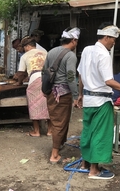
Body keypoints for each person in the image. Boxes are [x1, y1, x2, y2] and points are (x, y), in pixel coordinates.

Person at [77, 23, 120, 179]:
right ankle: (94, 170)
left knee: (88, 132)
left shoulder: (87, 50)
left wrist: (80, 94)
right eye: (113, 39)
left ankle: (85, 164)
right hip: (101, 101)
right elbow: (108, 81)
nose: (114, 43)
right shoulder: (104, 55)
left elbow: (81, 74)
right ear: (106, 37)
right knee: (100, 134)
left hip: (88, 100)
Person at [43, 27, 80, 164]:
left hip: (51, 92)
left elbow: (44, 71)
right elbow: (71, 77)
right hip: (63, 94)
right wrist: (76, 95)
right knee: (60, 123)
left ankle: (59, 145)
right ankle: (54, 154)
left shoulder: (51, 51)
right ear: (74, 40)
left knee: (57, 120)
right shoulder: (70, 55)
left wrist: (44, 88)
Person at [14, 36, 52, 137]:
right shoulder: (45, 53)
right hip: (47, 79)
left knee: (34, 104)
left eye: (23, 47)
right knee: (48, 104)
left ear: (27, 46)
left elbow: (21, 73)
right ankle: (50, 131)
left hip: (35, 79)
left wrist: (19, 82)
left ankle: (36, 131)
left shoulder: (25, 56)